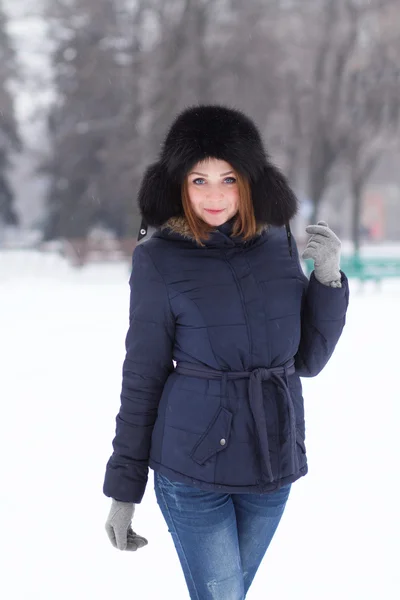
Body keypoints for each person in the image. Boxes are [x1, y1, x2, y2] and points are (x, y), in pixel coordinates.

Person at [103, 104, 349, 599]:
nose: (214, 195)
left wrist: (327, 280)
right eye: (199, 180)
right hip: (192, 470)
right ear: (178, 184)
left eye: (228, 178)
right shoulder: (158, 259)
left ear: (250, 181)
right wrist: (123, 491)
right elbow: (143, 376)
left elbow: (307, 361)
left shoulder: (278, 242)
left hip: (272, 458)